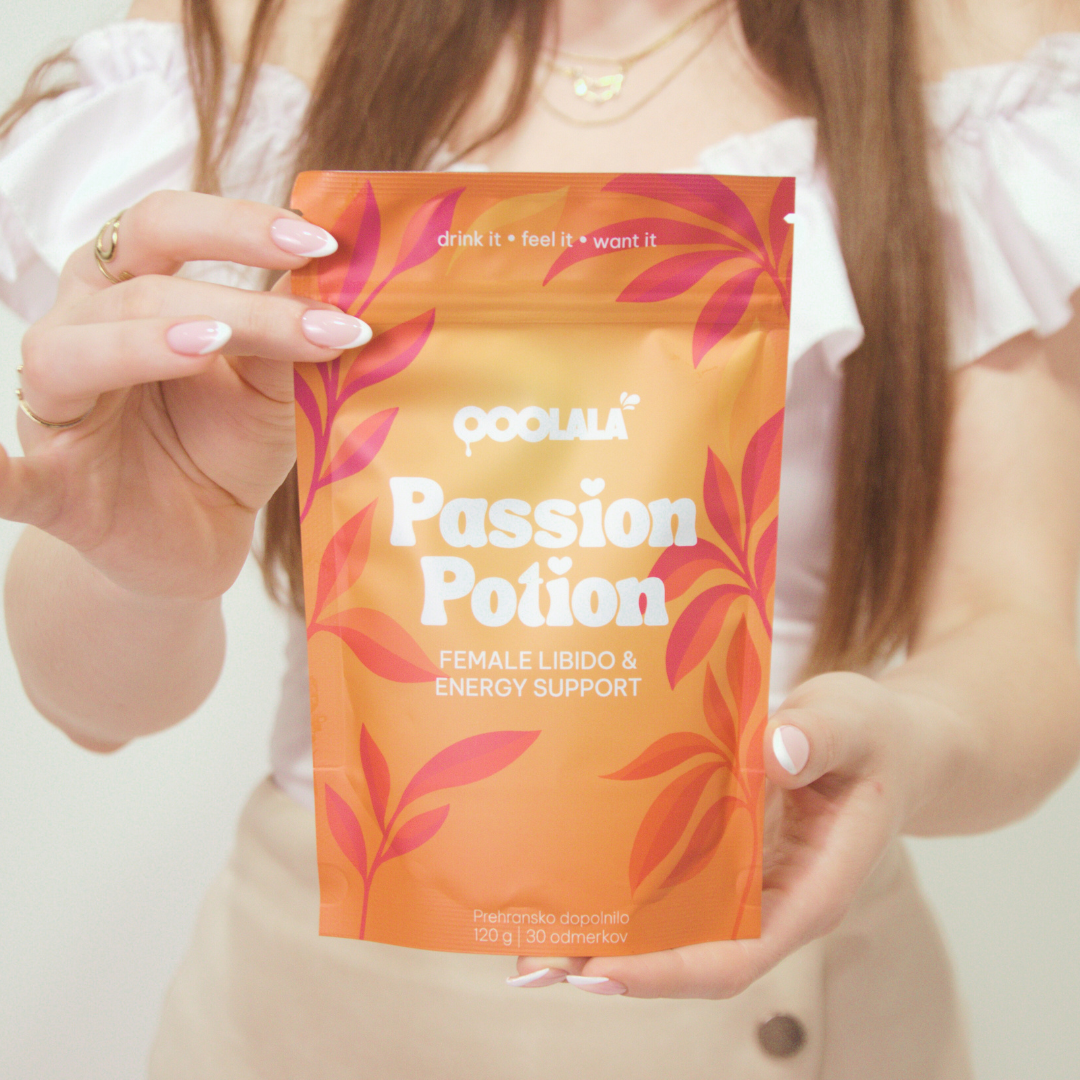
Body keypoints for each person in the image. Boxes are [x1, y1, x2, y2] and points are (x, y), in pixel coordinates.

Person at [1, 0, 1078, 1075]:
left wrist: (905, 743)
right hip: (325, 1005)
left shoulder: (974, 55)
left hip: (788, 969)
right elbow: (96, 711)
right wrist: (139, 569)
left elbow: (1021, 622)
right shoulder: (247, 37)